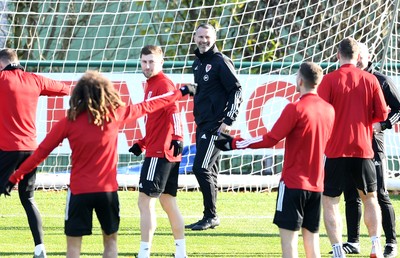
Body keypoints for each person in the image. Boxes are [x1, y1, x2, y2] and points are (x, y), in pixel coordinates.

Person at [1, 70, 196, 258]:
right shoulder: (116, 115)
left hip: (78, 192)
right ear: (107, 92)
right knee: (110, 243)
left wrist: (13, 177)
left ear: (78, 94)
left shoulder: (69, 121)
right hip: (107, 193)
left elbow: (40, 153)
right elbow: (150, 105)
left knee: (74, 247)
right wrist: (182, 92)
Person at [214, 62, 335, 258]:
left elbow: (271, 139)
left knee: (289, 245)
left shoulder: (295, 108)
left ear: (300, 80)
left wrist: (234, 143)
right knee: (312, 245)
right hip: (316, 186)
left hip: (293, 184)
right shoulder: (329, 110)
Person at [317, 37, 388, 258]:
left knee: (330, 201)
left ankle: (338, 250)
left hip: (336, 149)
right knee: (370, 198)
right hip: (363, 149)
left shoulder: (328, 80)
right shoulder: (370, 80)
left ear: (338, 55)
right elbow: (382, 115)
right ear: (358, 57)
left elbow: (320, 113)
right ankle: (376, 245)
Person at [0, 48, 70, 258]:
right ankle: (40, 249)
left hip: (8, 150)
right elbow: (64, 89)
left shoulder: (2, 78)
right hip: (31, 150)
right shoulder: (34, 80)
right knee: (28, 199)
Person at [339, 42, 399, 258]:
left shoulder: (381, 80)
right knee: (350, 194)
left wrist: (382, 125)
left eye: (361, 55)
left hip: (374, 146)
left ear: (367, 56)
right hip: (349, 146)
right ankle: (353, 241)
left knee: (380, 193)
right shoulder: (346, 79)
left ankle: (391, 243)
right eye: (355, 55)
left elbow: (399, 108)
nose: (358, 59)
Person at [128, 45, 189, 258]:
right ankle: (181, 252)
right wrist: (142, 142)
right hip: (162, 150)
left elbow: (175, 110)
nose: (147, 65)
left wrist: (178, 137)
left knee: (144, 201)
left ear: (161, 63)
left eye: (151, 61)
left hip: (160, 152)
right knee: (168, 201)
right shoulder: (151, 84)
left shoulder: (163, 83)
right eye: (144, 61)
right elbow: (157, 121)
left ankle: (144, 252)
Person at [184, 23, 243, 231]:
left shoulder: (220, 62)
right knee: (210, 170)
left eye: (207, 37)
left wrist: (228, 120)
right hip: (202, 123)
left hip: (215, 125)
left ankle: (211, 215)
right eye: (200, 37)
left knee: (200, 167)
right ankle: (210, 216)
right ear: (194, 38)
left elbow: (236, 90)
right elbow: (208, 91)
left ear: (214, 38)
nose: (203, 40)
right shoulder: (197, 63)